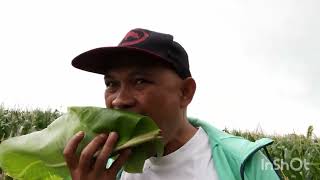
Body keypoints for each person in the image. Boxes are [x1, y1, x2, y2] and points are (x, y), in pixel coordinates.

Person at [64, 28, 282, 180]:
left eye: (140, 81)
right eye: (111, 83)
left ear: (185, 93)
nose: (119, 100)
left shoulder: (244, 165)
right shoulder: (105, 171)